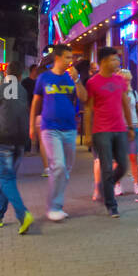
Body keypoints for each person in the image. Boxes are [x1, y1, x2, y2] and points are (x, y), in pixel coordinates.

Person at [77, 47, 133, 217]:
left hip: (120, 129)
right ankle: (111, 205)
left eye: (117, 60)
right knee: (107, 167)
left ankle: (104, 187)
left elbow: (125, 104)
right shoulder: (93, 82)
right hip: (101, 131)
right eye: (113, 60)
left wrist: (130, 126)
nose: (116, 63)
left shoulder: (119, 80)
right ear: (103, 62)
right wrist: (87, 134)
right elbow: (88, 110)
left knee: (123, 166)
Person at [30, 44, 79, 221]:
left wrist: (77, 80)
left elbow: (83, 98)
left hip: (70, 128)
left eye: (71, 58)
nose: (70, 61)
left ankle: (57, 204)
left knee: (65, 169)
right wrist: (31, 125)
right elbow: (36, 103)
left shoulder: (70, 79)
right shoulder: (44, 78)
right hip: (50, 128)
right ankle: (53, 206)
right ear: (57, 58)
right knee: (58, 166)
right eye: (67, 57)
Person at [0, 66, 35, 234]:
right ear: (20, 76)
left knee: (6, 179)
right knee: (8, 179)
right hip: (20, 141)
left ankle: (23, 214)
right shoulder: (21, 90)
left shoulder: (2, 89)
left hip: (4, 139)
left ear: (6, 74)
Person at [122, 69, 138, 195]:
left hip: (133, 127)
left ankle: (136, 184)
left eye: (129, 79)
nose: (127, 82)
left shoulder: (133, 93)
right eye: (125, 79)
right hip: (119, 127)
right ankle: (117, 185)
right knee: (117, 159)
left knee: (133, 156)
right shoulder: (116, 93)